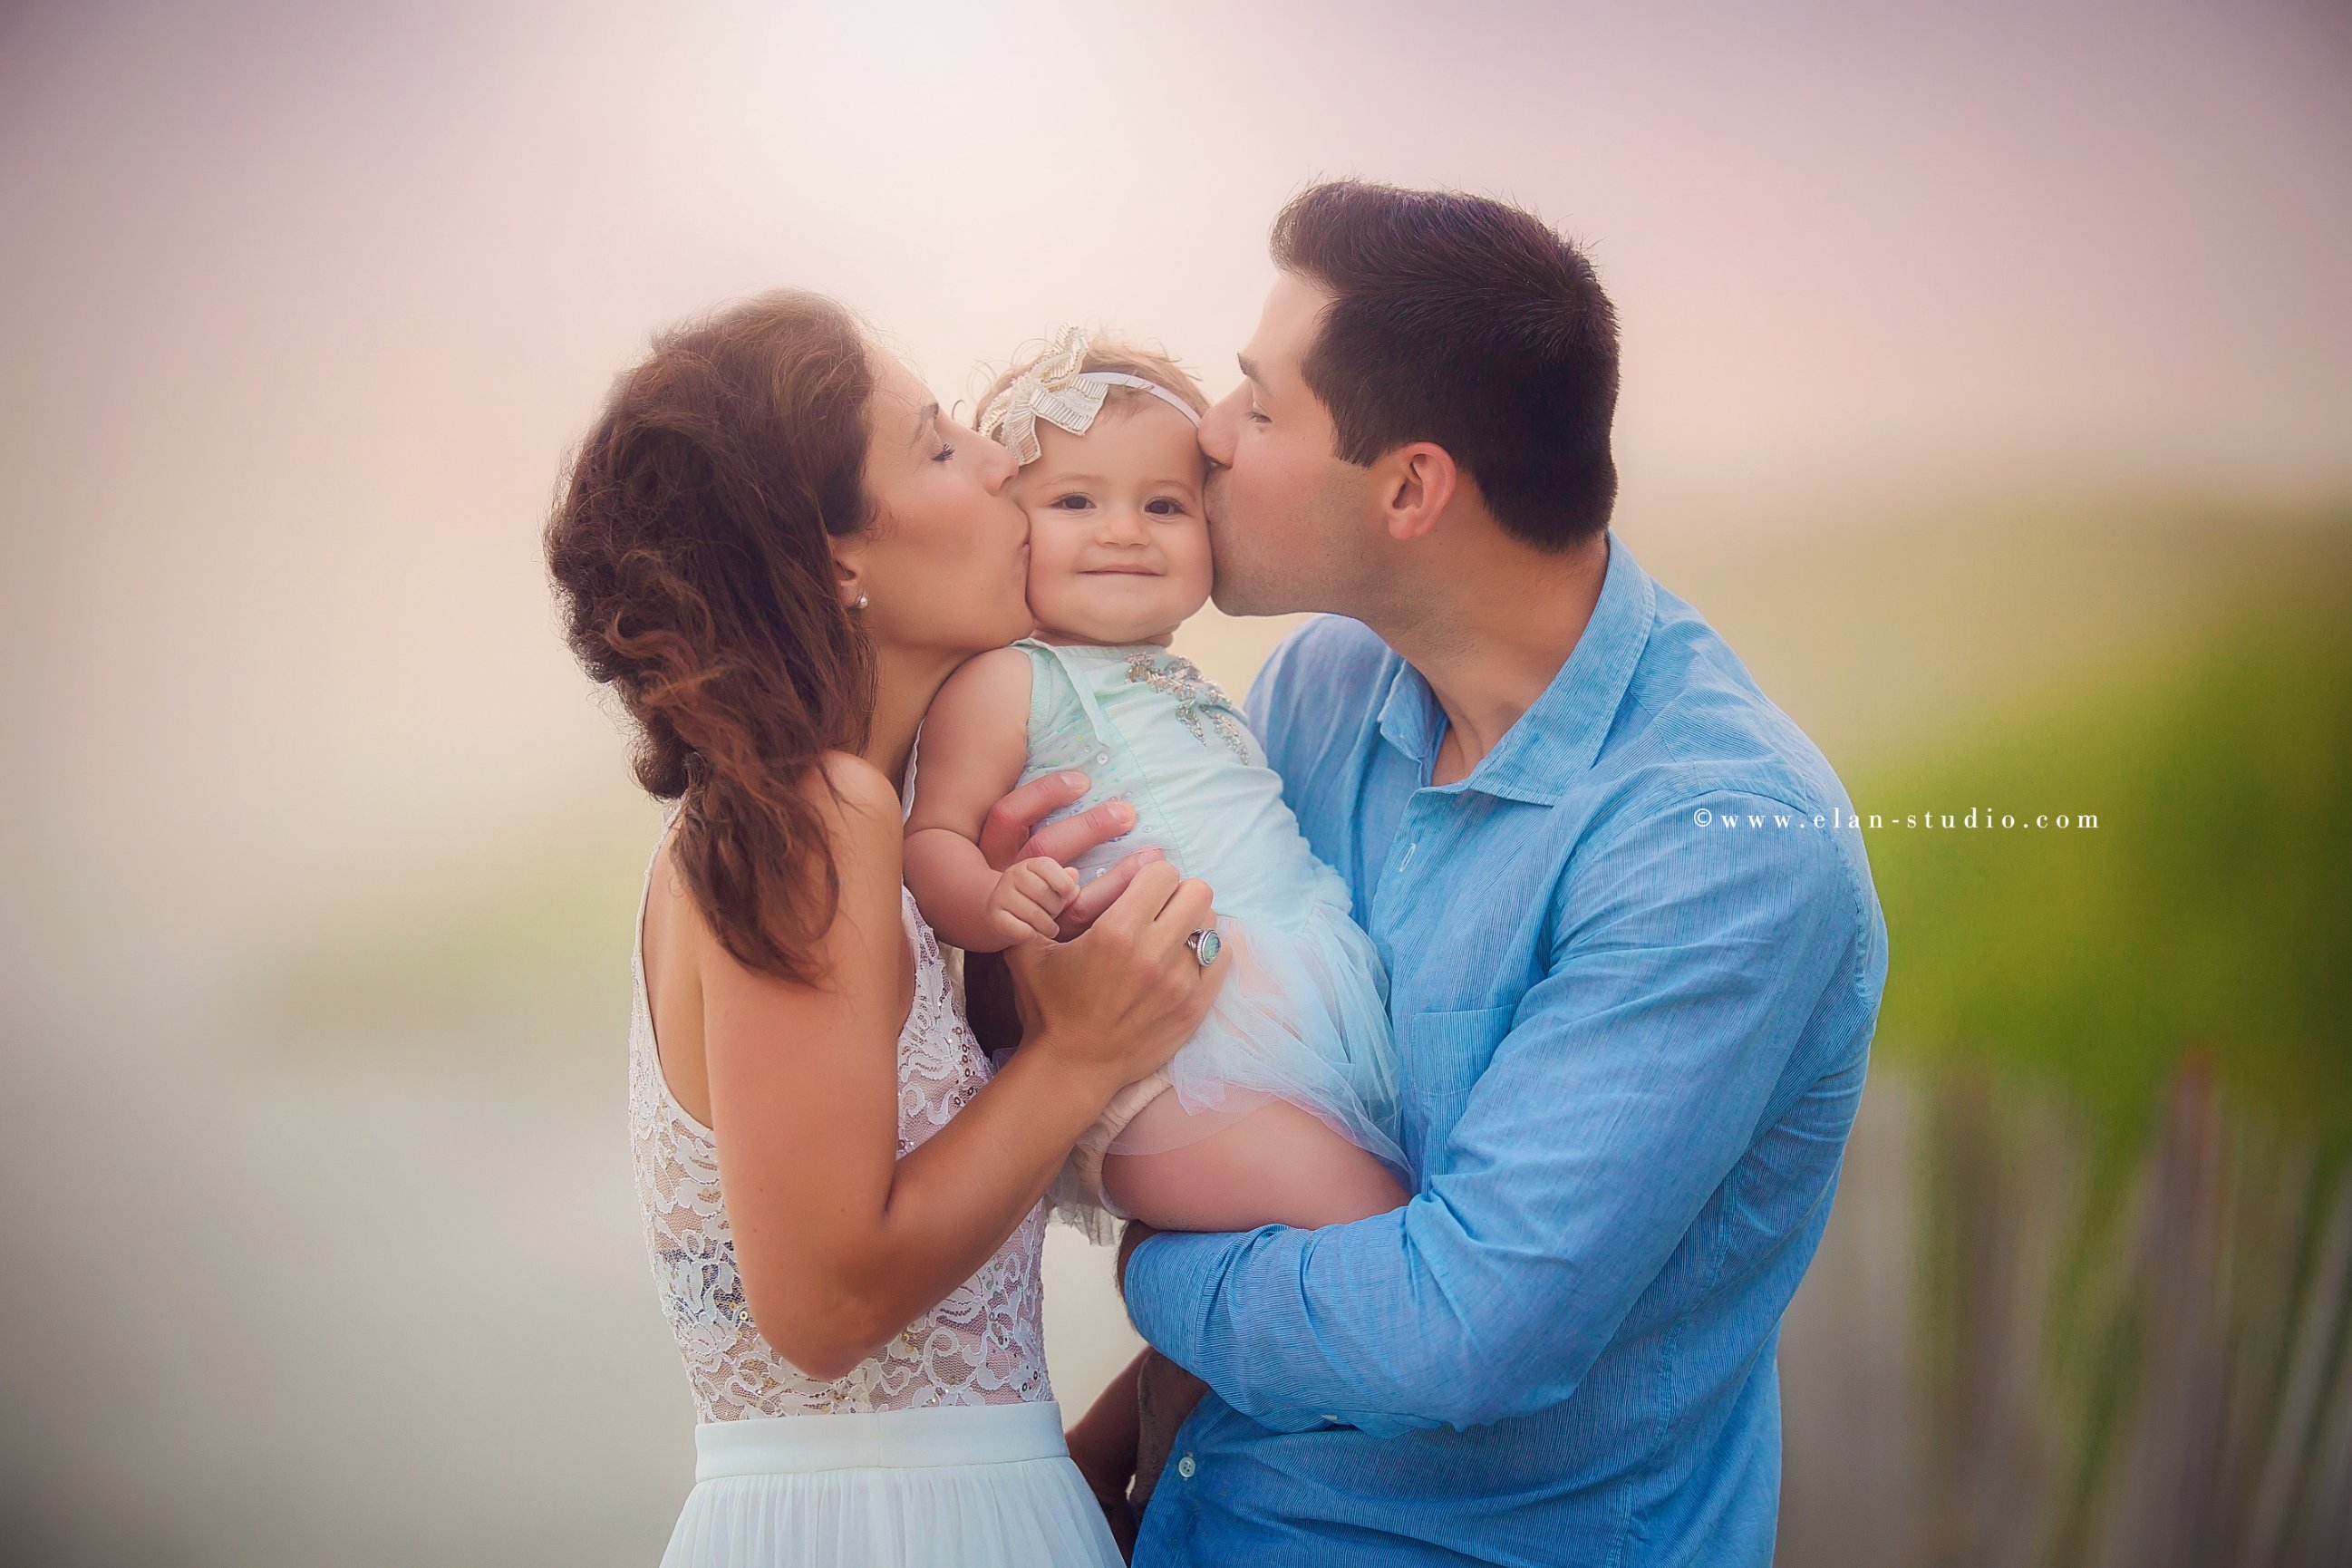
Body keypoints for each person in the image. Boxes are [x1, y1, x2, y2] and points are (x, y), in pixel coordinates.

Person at [1001, 181, 1890, 1564]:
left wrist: (1151, 1256)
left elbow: (1459, 1333)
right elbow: (1268, 1116)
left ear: (1411, 486)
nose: (1209, 439)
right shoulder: (1316, 690)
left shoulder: (1720, 848)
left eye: (1258, 401)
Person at [544, 290, 1228, 1568]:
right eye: (935, 445)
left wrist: (1099, 1456)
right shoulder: (813, 812)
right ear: (832, 561)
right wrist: (1076, 1055)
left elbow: (938, 1378)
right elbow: (824, 1303)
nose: (998, 460)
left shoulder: (890, 832)